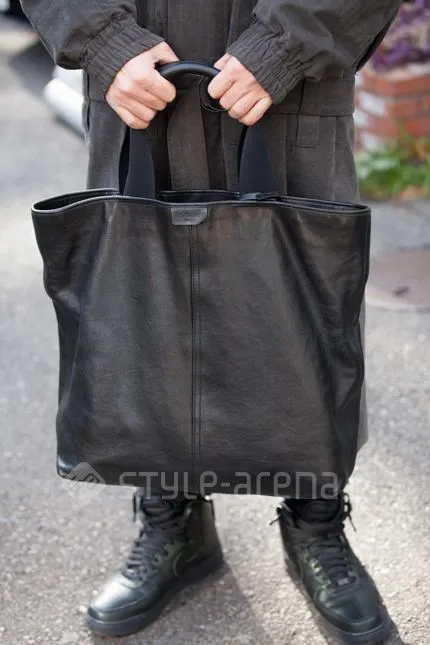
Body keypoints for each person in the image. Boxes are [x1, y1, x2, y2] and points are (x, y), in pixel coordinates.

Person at [21, 1, 402, 643]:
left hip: (293, 88)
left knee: (306, 317)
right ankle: (174, 521)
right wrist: (104, 39)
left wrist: (286, 43)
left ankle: (315, 523)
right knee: (141, 313)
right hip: (136, 84)